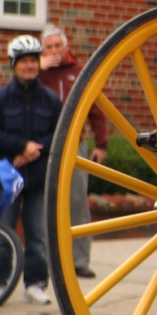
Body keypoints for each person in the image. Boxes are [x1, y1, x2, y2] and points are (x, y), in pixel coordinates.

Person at [0, 35, 62, 303]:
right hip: (6, 175)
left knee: (38, 233)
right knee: (1, 232)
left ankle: (35, 284)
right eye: (23, 61)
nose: (29, 66)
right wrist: (20, 146)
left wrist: (34, 151)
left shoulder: (51, 100)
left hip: (39, 177)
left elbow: (62, 134)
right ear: (13, 65)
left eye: (33, 61)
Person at [39, 25, 108, 279]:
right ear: (42, 50)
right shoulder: (36, 72)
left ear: (67, 47)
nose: (54, 51)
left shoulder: (80, 72)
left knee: (78, 203)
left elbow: (97, 110)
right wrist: (39, 68)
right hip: (43, 146)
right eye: (49, 47)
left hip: (74, 144)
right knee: (45, 203)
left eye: (58, 45)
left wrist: (101, 144)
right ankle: (45, 259)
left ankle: (80, 261)